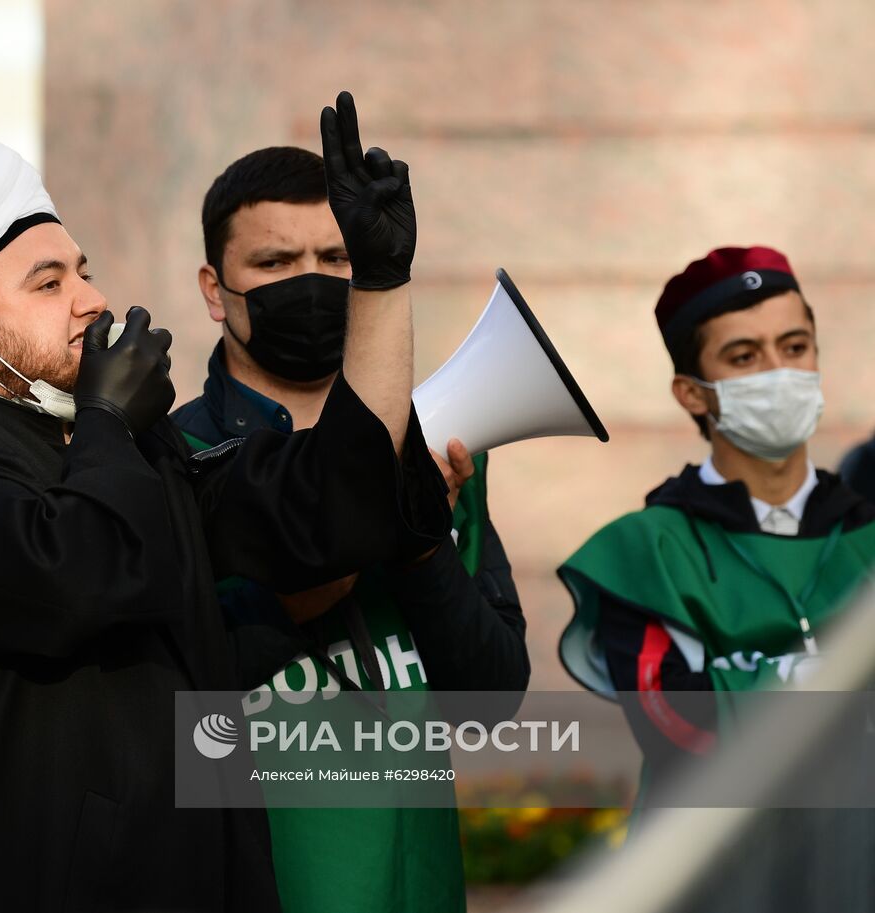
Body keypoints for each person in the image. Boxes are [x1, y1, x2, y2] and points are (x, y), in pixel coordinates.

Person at [0, 92, 453, 912]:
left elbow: (328, 510)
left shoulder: (129, 448)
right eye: (49, 282)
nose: (91, 300)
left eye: (85, 271)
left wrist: (380, 283)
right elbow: (77, 576)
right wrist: (105, 419)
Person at [171, 145, 528, 913]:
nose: (313, 280)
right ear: (214, 288)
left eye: (338, 256)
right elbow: (154, 714)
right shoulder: (167, 465)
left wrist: (421, 535)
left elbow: (491, 701)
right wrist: (318, 570)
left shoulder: (442, 449)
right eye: (274, 261)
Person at [558, 246, 875, 794]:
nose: (780, 373)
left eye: (795, 347)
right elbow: (681, 729)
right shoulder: (644, 552)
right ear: (691, 393)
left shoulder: (865, 534)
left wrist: (747, 688)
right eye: (744, 357)